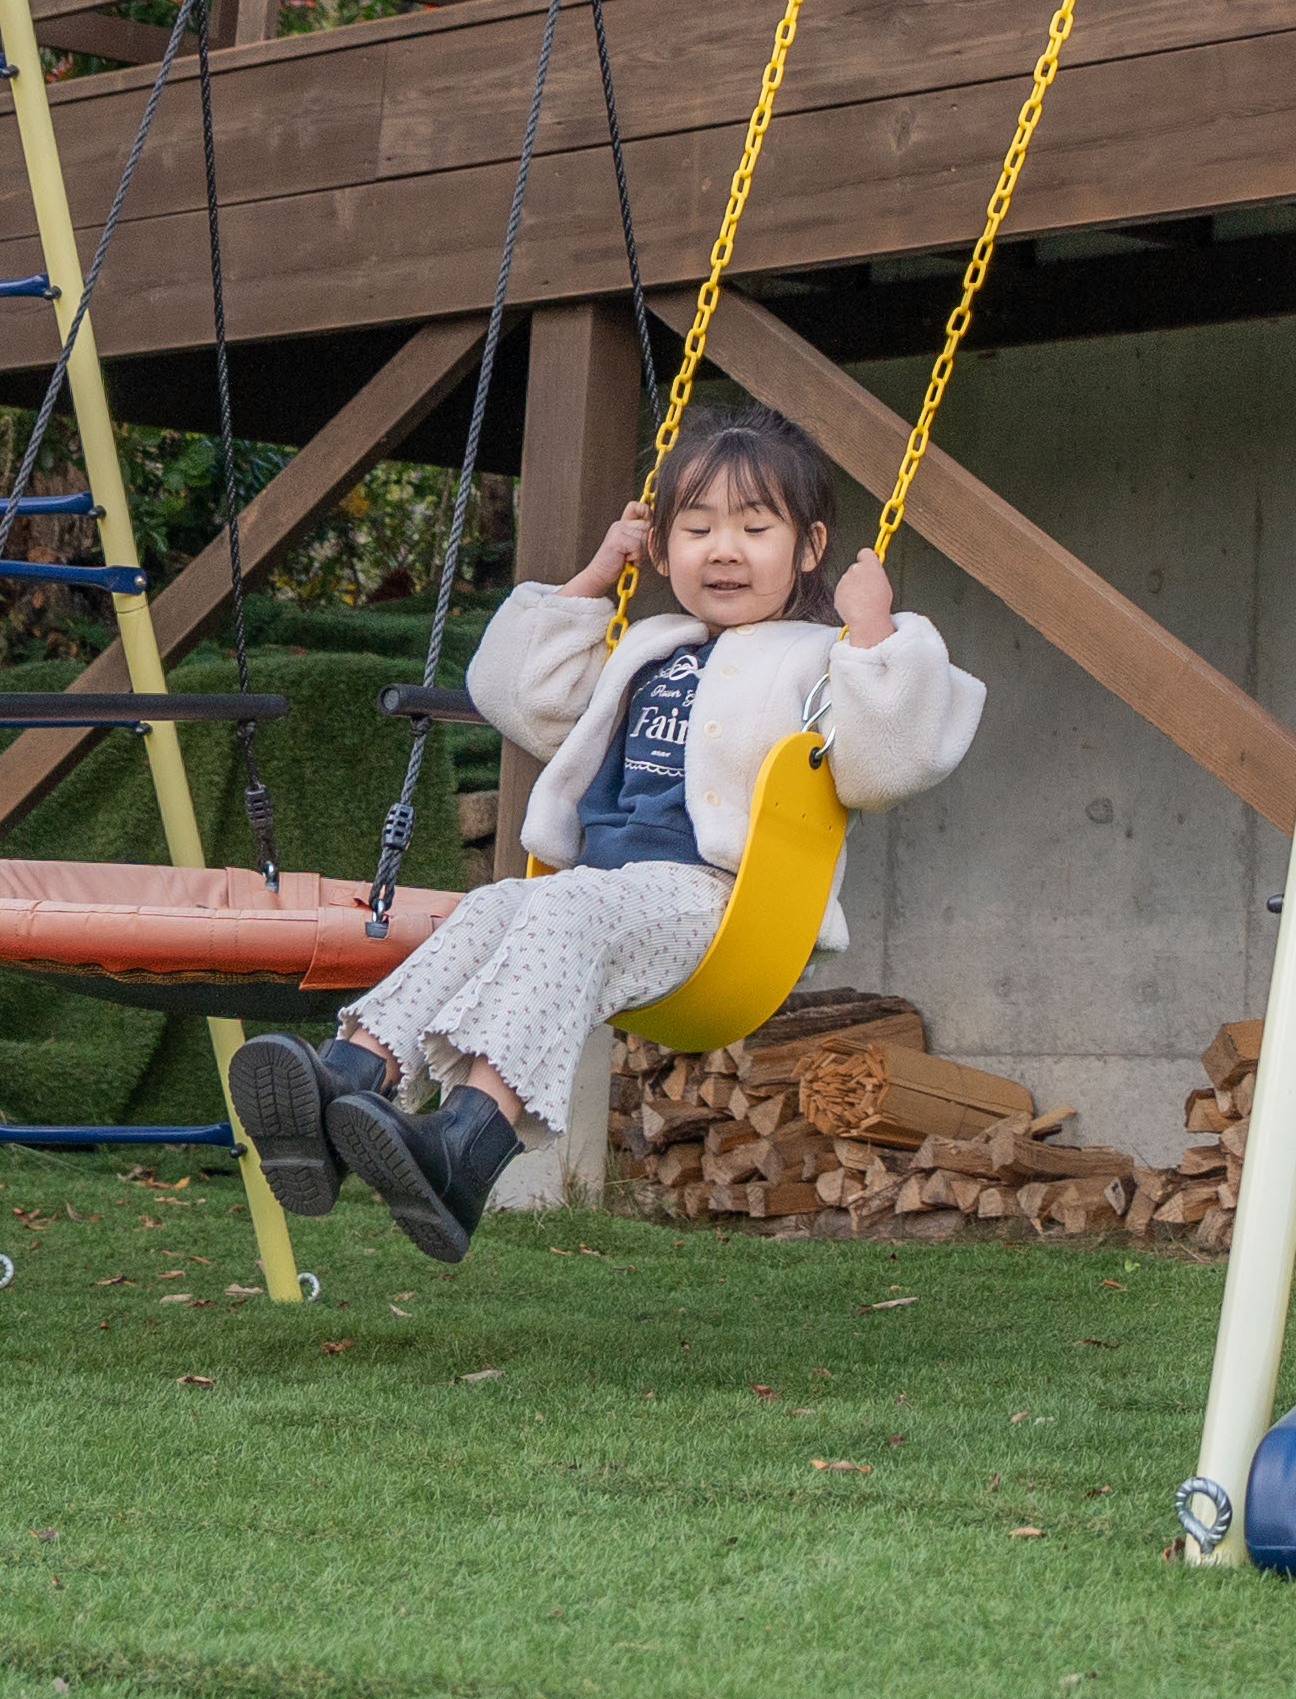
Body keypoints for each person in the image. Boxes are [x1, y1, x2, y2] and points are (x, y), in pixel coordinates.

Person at [236, 409, 986, 1263]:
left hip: (719, 902)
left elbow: (889, 763)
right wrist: (595, 577)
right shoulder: (650, 646)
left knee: (564, 909)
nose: (724, 550)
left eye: (755, 528)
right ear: (660, 549)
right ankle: (342, 1083)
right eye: (696, 529)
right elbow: (519, 696)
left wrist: (875, 630)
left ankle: (467, 1146)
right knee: (491, 909)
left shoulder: (821, 656)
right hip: (605, 887)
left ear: (810, 547)